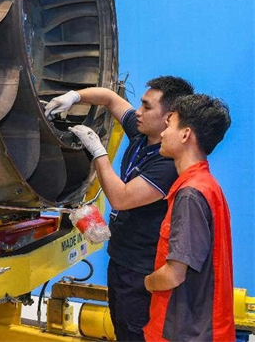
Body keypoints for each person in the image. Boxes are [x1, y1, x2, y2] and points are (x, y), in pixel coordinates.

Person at [45, 76, 194, 341]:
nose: (138, 112)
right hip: (121, 258)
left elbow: (121, 198)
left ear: (169, 117)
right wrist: (73, 96)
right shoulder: (141, 133)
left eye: (147, 107)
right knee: (121, 326)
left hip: (141, 269)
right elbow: (109, 98)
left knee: (134, 332)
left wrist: (97, 151)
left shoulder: (167, 163)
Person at [143, 94, 234, 341]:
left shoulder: (191, 194)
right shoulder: (207, 185)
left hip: (184, 333)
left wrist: (147, 283)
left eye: (170, 124)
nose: (162, 133)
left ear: (185, 135)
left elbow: (173, 275)